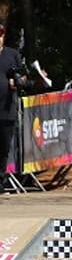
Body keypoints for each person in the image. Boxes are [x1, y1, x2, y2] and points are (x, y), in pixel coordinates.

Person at [0, 25, 24, 178]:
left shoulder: (13, 54)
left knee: (3, 149)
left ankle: (0, 181)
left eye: (1, 34)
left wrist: (18, 81)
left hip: (6, 110)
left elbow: (22, 77)